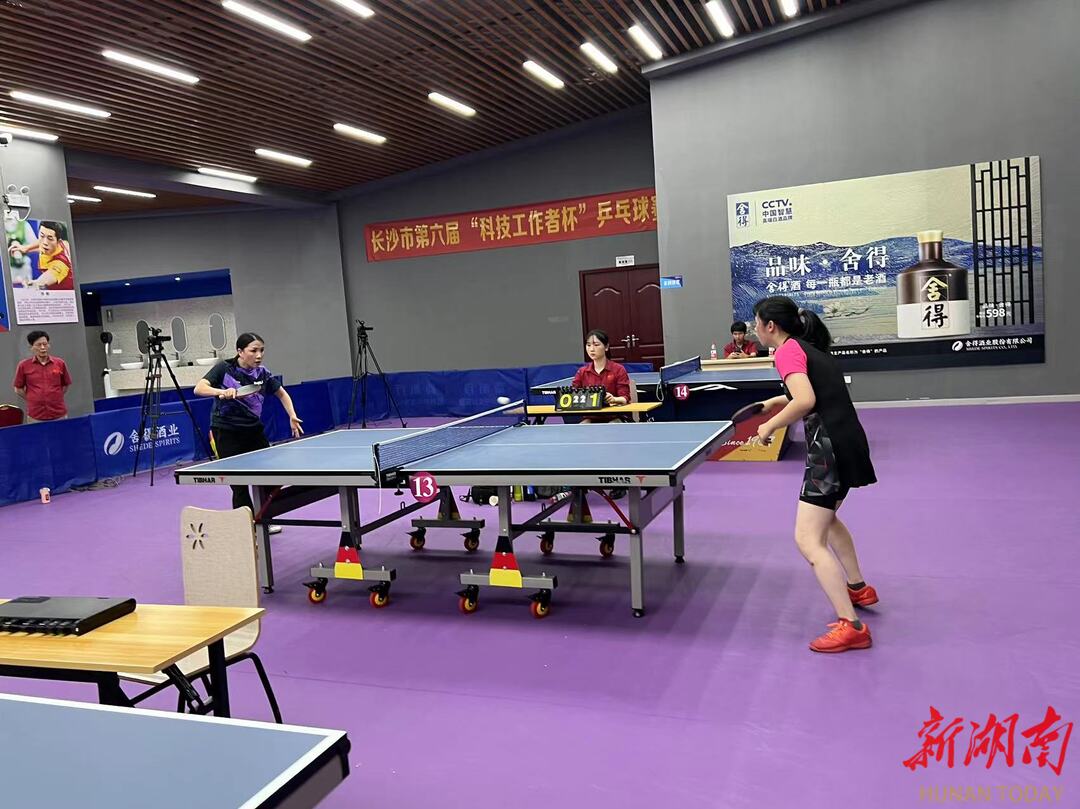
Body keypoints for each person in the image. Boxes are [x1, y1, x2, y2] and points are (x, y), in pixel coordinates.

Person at [751, 296, 878, 653]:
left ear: (770, 326)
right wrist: (776, 402)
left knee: (808, 540)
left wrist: (770, 426)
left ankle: (852, 626)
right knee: (828, 521)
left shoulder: (785, 352)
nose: (754, 329)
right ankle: (858, 588)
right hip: (849, 442)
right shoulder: (809, 347)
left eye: (756, 322)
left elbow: (805, 400)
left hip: (829, 452)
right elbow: (814, 393)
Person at [194, 333, 303, 530]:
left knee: (269, 480)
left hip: (253, 430)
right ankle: (246, 529)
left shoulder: (262, 373)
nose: (259, 355)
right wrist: (221, 392)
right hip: (226, 431)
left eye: (261, 350)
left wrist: (292, 415)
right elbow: (199, 388)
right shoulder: (224, 368)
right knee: (239, 485)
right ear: (240, 352)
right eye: (253, 351)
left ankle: (264, 522)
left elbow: (281, 393)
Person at [571, 329, 631, 424]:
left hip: (615, 416)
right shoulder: (582, 372)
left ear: (606, 347)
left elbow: (625, 398)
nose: (591, 349)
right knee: (582, 427)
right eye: (588, 345)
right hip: (591, 417)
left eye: (596, 345)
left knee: (611, 426)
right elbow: (573, 395)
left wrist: (614, 399)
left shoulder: (619, 369)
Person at [13, 330, 71, 422]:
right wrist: (32, 398)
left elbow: (65, 384)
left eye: (45, 344)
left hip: (58, 413)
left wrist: (55, 396)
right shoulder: (23, 365)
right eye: (39, 345)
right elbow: (18, 388)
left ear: (49, 345)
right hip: (36, 415)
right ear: (31, 347)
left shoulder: (60, 363)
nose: (43, 347)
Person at [8, 221, 75, 290]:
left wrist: (35, 283)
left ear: (58, 241)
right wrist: (26, 248)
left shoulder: (61, 264)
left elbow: (43, 280)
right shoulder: (51, 245)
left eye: (50, 238)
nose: (44, 242)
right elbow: (43, 240)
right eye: (42, 235)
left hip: (65, 294)